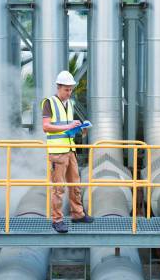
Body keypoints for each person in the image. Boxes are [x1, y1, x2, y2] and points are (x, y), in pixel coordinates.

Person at [42, 70, 94, 233]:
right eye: (66, 89)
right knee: (58, 188)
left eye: (71, 89)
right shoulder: (49, 102)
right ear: (59, 87)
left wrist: (78, 128)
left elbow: (66, 126)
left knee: (75, 184)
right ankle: (57, 220)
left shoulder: (69, 104)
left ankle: (78, 214)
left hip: (70, 150)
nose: (69, 92)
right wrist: (68, 126)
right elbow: (46, 126)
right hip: (57, 152)